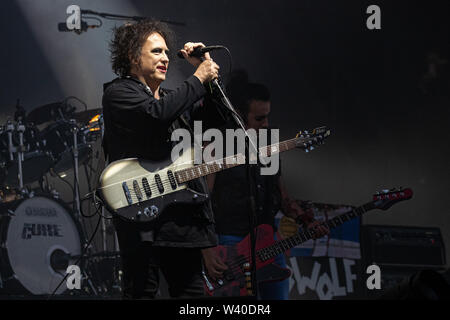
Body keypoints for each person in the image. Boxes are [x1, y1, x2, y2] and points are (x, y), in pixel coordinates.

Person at [102, 20, 221, 299]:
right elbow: (155, 115)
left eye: (167, 52)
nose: (166, 58)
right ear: (133, 56)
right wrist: (198, 78)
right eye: (157, 52)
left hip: (181, 220)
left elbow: (217, 120)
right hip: (142, 219)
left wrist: (208, 72)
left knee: (192, 296)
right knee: (143, 292)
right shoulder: (119, 93)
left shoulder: (173, 100)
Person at [202, 72, 329, 299]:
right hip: (229, 243)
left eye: (267, 117)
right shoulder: (217, 145)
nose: (266, 124)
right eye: (259, 119)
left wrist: (306, 220)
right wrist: (207, 249)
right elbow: (202, 200)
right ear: (239, 115)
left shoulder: (268, 146)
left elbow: (281, 197)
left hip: (267, 241)